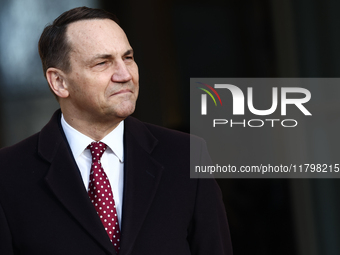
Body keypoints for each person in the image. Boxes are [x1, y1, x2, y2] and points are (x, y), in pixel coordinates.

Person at [0, 6, 232, 255]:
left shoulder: (187, 155)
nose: (125, 75)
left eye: (128, 58)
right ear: (59, 82)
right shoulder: (8, 174)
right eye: (103, 63)